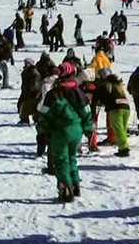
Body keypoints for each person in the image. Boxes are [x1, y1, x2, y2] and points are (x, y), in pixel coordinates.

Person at [37, 62, 93, 202]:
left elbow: (44, 115)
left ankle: (65, 189)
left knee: (61, 161)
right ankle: (75, 185)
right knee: (72, 158)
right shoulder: (78, 91)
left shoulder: (53, 94)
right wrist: (88, 130)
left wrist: (42, 131)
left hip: (60, 131)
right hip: (76, 130)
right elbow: (86, 112)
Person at [93, 68, 131, 157]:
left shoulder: (105, 85)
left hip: (115, 109)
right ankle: (124, 146)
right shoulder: (118, 85)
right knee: (123, 129)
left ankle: (124, 149)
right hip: (126, 107)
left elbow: (101, 98)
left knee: (118, 129)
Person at [17, 57, 42, 125]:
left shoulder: (34, 72)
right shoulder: (27, 71)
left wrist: (31, 89)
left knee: (31, 106)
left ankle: (35, 119)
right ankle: (24, 119)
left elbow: (35, 83)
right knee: (22, 105)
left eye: (27, 63)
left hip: (33, 93)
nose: (25, 64)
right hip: (26, 91)